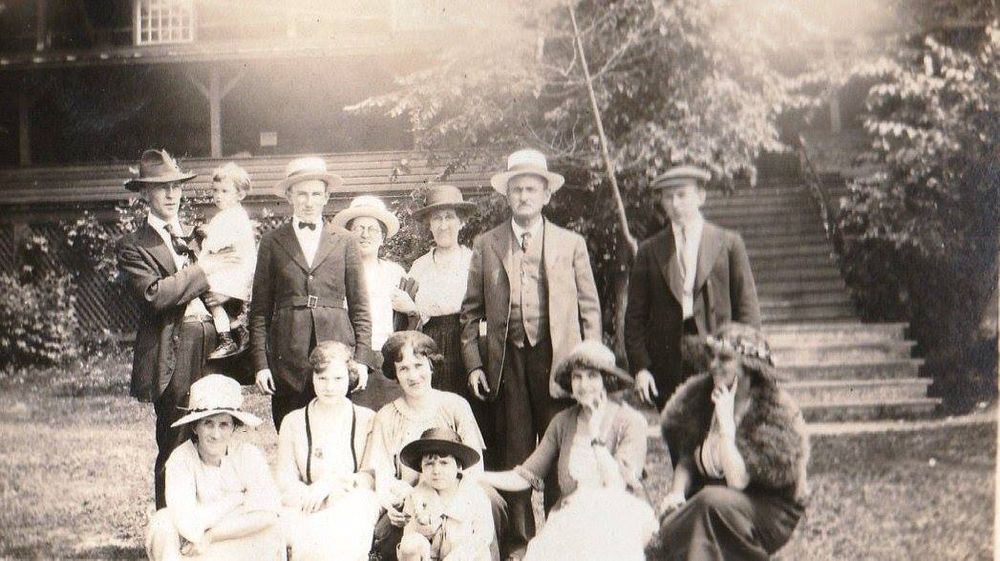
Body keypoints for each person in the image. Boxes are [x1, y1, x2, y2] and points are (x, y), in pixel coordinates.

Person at [460, 148, 602, 557]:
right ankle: (519, 544)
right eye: (517, 189)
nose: (524, 196)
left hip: (560, 363)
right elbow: (470, 313)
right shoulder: (487, 244)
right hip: (508, 363)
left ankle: (561, 540)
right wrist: (474, 365)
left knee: (561, 451)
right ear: (507, 195)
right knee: (515, 451)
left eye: (531, 189)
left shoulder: (570, 243)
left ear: (546, 196)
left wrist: (592, 367)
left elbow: (589, 309)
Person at [118, 148, 240, 509]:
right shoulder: (133, 245)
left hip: (213, 345)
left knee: (216, 436)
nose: (171, 194)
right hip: (174, 351)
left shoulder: (198, 236)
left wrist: (226, 294)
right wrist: (205, 269)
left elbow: (230, 278)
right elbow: (155, 295)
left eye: (176, 186)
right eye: (161, 188)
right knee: (177, 439)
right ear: (145, 193)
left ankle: (213, 524)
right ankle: (169, 527)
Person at [477, 341, 655, 561]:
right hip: (572, 517)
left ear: (607, 379)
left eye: (592, 376)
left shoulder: (631, 421)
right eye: (577, 377)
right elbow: (524, 477)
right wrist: (476, 475)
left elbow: (617, 485)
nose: (583, 384)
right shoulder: (563, 422)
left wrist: (595, 435)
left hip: (618, 515)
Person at [657, 323, 809, 560]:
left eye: (725, 359)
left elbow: (738, 481)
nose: (713, 365)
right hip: (716, 500)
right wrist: (677, 495)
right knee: (671, 526)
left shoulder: (775, 410)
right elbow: (687, 458)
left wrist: (727, 425)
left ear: (749, 368)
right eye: (713, 357)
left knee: (710, 502)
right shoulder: (701, 396)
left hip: (769, 507)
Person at [250, 157, 377, 430]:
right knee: (292, 431)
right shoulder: (272, 241)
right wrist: (261, 364)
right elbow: (259, 311)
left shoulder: (345, 240)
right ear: (289, 196)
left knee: (337, 434)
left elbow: (360, 306)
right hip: (288, 358)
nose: (309, 202)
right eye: (302, 194)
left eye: (316, 194)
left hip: (336, 356)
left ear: (326, 197)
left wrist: (362, 360)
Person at [362, 331, 506, 561]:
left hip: (457, 494)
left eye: (419, 365)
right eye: (404, 369)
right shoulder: (386, 416)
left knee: (490, 500)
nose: (413, 376)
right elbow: (383, 474)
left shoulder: (455, 405)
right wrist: (393, 500)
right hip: (410, 501)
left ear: (431, 366)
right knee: (388, 535)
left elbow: (473, 466)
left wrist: (449, 500)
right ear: (395, 373)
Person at [626, 165, 761, 410]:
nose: (675, 203)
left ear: (701, 196)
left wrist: (745, 361)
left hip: (719, 356)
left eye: (682, 195)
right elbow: (635, 318)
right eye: (668, 197)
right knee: (677, 429)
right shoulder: (649, 251)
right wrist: (641, 368)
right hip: (668, 362)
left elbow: (747, 308)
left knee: (721, 427)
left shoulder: (729, 244)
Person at [398, 185, 497, 464]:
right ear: (429, 225)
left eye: (449, 217)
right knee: (435, 413)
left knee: (471, 415)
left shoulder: (475, 261)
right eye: (437, 219)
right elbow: (408, 318)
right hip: (431, 345)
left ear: (461, 222)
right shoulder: (419, 267)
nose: (443, 225)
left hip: (468, 342)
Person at [145, 375, 284, 561]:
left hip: (233, 541)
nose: (216, 434)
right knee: (162, 521)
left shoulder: (247, 455)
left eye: (224, 424)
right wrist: (235, 500)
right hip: (196, 548)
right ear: (195, 427)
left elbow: (269, 515)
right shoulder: (181, 459)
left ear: (234, 427)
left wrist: (212, 535)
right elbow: (189, 525)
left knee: (271, 532)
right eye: (208, 423)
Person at [276, 341, 380, 561]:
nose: (329, 387)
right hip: (306, 503)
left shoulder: (367, 419)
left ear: (350, 377)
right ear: (312, 378)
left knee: (353, 512)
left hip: (350, 500)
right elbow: (284, 481)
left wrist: (331, 486)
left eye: (338, 378)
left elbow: (370, 477)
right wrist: (312, 495)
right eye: (322, 378)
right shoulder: (293, 422)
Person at [333, 195, 416, 410]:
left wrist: (410, 308)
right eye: (358, 228)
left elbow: (412, 323)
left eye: (372, 229)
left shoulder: (395, 273)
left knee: (391, 415)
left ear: (383, 237)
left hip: (388, 358)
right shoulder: (337, 273)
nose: (365, 235)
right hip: (351, 357)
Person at [396, 427, 495, 561]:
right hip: (430, 557)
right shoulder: (415, 497)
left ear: (459, 466)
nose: (436, 471)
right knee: (410, 544)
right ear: (421, 467)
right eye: (429, 464)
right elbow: (409, 539)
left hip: (465, 557)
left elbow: (482, 537)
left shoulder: (475, 495)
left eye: (444, 463)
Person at [195, 162, 257, 359]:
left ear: (240, 195)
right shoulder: (228, 215)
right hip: (230, 270)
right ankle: (238, 328)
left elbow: (219, 243)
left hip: (234, 272)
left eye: (224, 191)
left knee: (209, 300)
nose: (218, 196)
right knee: (209, 301)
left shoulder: (233, 216)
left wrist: (208, 237)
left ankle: (227, 339)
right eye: (215, 190)